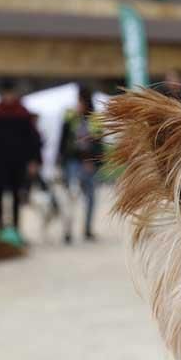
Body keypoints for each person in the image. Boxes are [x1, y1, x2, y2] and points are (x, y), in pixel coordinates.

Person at [0, 79, 41, 236]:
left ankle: (17, 229)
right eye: (5, 94)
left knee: (17, 197)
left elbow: (33, 139)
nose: (8, 97)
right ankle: (0, 230)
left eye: (10, 93)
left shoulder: (23, 113)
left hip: (19, 162)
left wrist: (34, 160)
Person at [58, 86, 103, 243]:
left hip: (88, 164)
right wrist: (61, 161)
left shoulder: (95, 119)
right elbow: (63, 141)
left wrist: (94, 162)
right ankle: (68, 229)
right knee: (71, 197)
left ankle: (87, 229)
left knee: (90, 198)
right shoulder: (70, 117)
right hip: (73, 162)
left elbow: (98, 143)